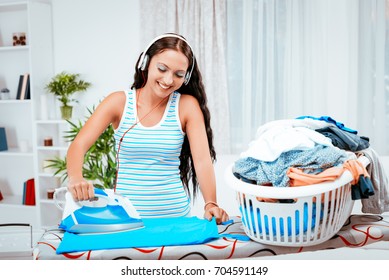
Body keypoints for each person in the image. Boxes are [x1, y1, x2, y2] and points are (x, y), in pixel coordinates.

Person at [66, 33, 229, 224]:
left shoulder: (186, 105)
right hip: (127, 219)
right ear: (146, 63)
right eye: (162, 69)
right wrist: (76, 177)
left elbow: (201, 161)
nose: (168, 80)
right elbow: (78, 145)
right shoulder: (118, 102)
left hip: (175, 218)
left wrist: (211, 203)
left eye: (178, 74)